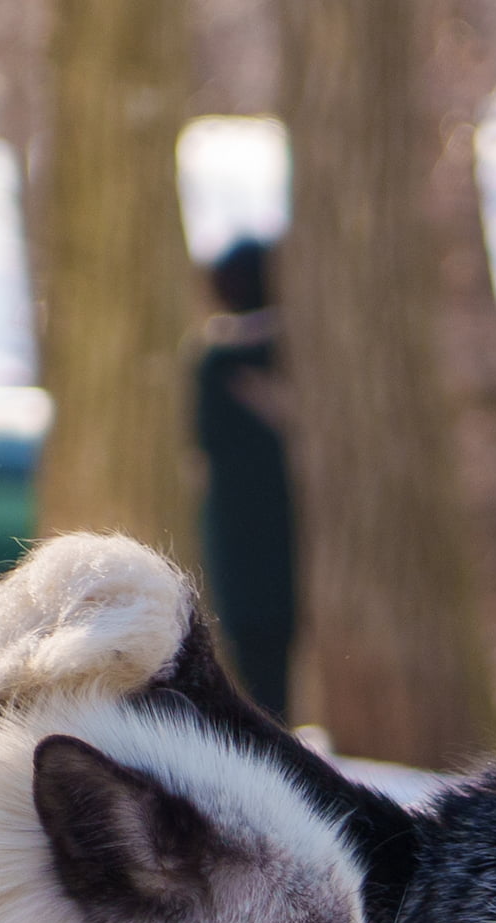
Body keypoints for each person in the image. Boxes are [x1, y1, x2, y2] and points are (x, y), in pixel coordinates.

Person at [192, 240, 297, 721]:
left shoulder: (215, 363)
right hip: (289, 523)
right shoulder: (294, 353)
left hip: (238, 528)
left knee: (254, 645)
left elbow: (202, 441)